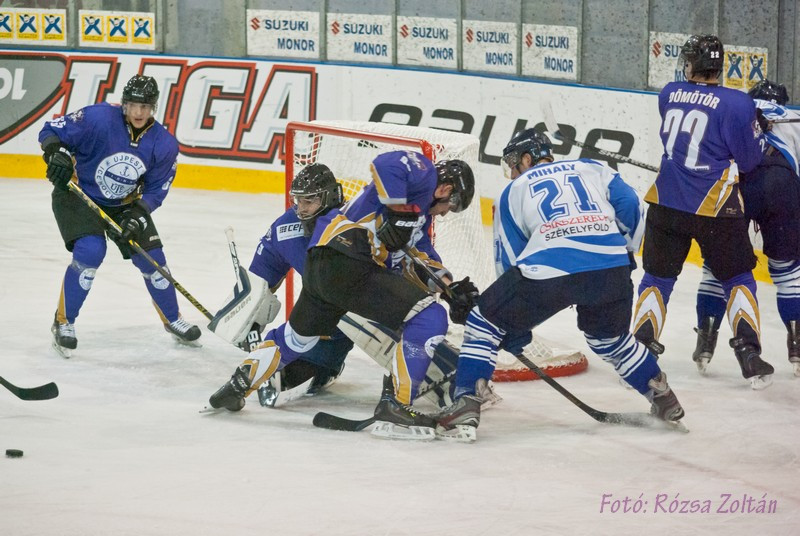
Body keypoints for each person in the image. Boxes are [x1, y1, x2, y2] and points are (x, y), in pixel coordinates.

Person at [207, 151, 479, 440]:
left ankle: (237, 386)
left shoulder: (419, 222)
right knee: (430, 317)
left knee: (297, 338)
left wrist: (450, 289)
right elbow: (385, 164)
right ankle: (397, 406)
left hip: (324, 265)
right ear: (446, 189)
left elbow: (422, 261)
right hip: (351, 259)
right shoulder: (424, 175)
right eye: (451, 205)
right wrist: (400, 211)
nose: (446, 212)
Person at [433, 129, 683, 443]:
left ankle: (466, 405)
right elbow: (630, 202)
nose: (512, 171)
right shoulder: (592, 168)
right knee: (610, 339)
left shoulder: (514, 190)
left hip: (549, 269)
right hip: (611, 267)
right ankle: (663, 397)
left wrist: (508, 323)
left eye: (513, 163)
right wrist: (625, 250)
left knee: (483, 322)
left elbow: (510, 260)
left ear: (527, 158)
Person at [630, 34, 774, 389]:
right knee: (738, 278)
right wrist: (759, 132)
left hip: (666, 202)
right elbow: (750, 160)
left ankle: (639, 353)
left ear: (692, 63)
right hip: (716, 209)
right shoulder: (738, 103)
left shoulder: (668, 93)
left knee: (657, 281)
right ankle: (750, 356)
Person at [40, 74, 200, 357]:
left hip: (125, 203)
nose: (139, 112)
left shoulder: (164, 144)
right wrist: (56, 154)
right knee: (90, 252)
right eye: (134, 105)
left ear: (154, 108)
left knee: (154, 261)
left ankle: (173, 319)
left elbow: (155, 190)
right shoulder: (97, 118)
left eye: (146, 106)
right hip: (78, 194)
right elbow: (51, 130)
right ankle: (63, 322)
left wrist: (138, 214)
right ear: (124, 104)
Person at [691, 79, 800, 376]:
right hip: (782, 186)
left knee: (717, 268)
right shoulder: (794, 121)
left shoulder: (736, 111)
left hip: (738, 187)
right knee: (788, 270)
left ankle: (705, 342)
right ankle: (798, 348)